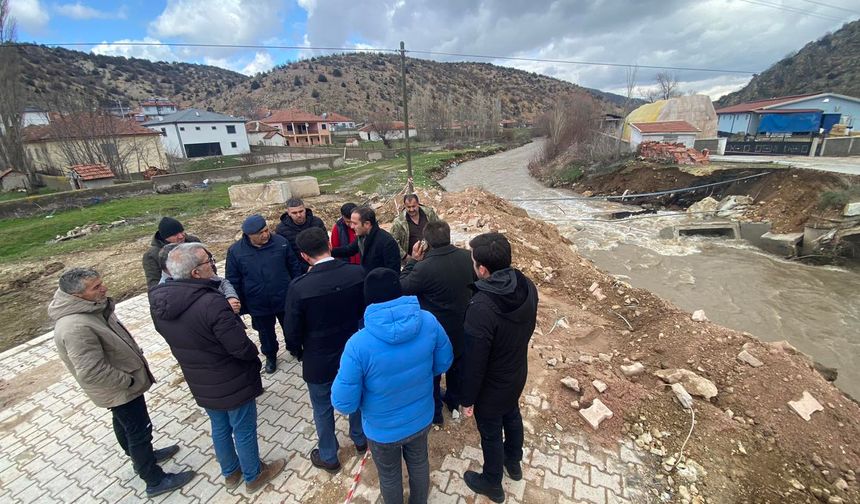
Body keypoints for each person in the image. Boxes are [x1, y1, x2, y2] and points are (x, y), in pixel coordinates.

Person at [149, 244, 285, 493]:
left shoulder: (159, 302)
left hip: (199, 379)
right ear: (195, 273)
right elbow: (238, 346)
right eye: (206, 261)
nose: (212, 263)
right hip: (230, 377)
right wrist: (254, 360)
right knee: (243, 428)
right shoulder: (210, 303)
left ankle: (230, 472)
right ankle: (254, 475)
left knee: (219, 426)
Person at [49, 267, 195, 497]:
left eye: (101, 283)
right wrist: (127, 381)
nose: (104, 288)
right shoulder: (76, 327)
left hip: (120, 387)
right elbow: (90, 370)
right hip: (119, 389)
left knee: (124, 424)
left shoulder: (93, 309)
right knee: (139, 431)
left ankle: (140, 458)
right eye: (96, 287)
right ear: (77, 295)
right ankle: (154, 479)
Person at [332, 268, 453, 504]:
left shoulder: (358, 344)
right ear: (400, 291)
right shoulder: (428, 321)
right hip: (421, 417)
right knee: (419, 463)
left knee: (389, 476)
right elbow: (444, 362)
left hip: (382, 430)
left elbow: (343, 403)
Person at [460, 233, 539, 503]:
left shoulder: (482, 307)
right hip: (517, 371)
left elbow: (474, 361)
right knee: (512, 415)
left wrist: (467, 399)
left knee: (491, 431)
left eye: (473, 262)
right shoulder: (527, 285)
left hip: (492, 385)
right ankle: (513, 462)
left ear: (482, 270)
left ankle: (492, 482)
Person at [284, 228, 367, 473]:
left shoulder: (299, 287)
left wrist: (298, 351)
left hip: (318, 359)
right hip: (354, 352)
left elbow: (292, 331)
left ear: (304, 256)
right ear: (329, 246)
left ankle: (329, 456)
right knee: (358, 397)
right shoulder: (357, 272)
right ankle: (360, 439)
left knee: (322, 408)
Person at [400, 221, 475, 425]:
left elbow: (403, 287)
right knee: (456, 367)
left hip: (434, 332)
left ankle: (435, 414)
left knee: (433, 372)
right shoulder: (468, 258)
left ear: (427, 242)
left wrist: (413, 261)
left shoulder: (424, 267)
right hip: (462, 326)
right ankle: (453, 402)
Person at [226, 214, 302, 373]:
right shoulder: (236, 251)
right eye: (260, 233)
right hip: (258, 301)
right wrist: (240, 305)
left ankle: (295, 348)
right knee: (265, 333)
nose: (265, 235)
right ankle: (271, 356)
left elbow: (294, 267)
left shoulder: (281, 242)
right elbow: (233, 279)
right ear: (248, 235)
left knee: (291, 326)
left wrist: (297, 291)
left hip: (284, 296)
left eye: (266, 230)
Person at [158, 243, 241, 314]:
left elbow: (221, 281)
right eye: (208, 261)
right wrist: (225, 306)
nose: (212, 264)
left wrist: (231, 297)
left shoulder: (203, 275)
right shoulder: (167, 294)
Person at [331, 206, 401, 273]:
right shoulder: (362, 237)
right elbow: (349, 250)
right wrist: (329, 252)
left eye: (355, 223)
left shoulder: (387, 242)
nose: (352, 227)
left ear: (367, 224)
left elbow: (393, 272)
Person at [142, 216, 199, 289]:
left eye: (181, 231)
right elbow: (154, 284)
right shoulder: (152, 255)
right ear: (165, 237)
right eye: (175, 235)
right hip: (175, 290)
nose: (181, 236)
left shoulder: (193, 242)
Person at [275, 197, 327, 274]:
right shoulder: (281, 229)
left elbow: (325, 243)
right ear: (288, 213)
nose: (299, 215)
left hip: (321, 264)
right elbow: (286, 254)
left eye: (301, 211)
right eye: (294, 213)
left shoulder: (317, 222)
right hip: (299, 270)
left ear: (305, 209)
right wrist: (305, 268)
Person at [390, 194, 440, 261]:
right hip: (413, 259)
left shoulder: (429, 213)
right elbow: (393, 241)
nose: (411, 209)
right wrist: (405, 257)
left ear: (418, 204)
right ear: (405, 206)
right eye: (408, 207)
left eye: (414, 206)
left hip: (432, 255)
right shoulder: (399, 222)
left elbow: (439, 228)